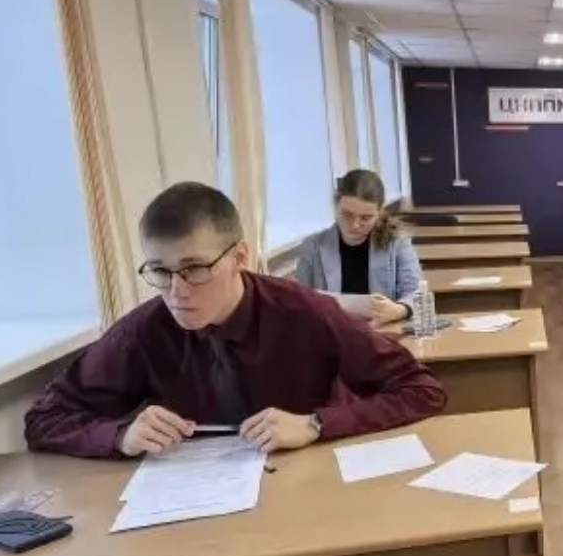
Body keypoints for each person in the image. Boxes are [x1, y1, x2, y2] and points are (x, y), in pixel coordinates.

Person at [24, 182, 447, 459]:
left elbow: (421, 389)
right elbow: (44, 419)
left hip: (312, 481)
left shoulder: (306, 313)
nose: (177, 291)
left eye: (194, 268)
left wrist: (316, 424)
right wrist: (119, 435)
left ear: (240, 257)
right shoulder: (143, 331)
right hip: (194, 500)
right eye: (160, 271)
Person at [293, 169, 423, 324]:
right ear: (336, 205)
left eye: (366, 218)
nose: (355, 225)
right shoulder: (313, 246)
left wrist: (400, 310)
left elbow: (416, 292)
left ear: (379, 213)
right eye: (347, 215)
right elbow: (297, 299)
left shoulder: (397, 243)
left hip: (382, 332)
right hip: (331, 332)